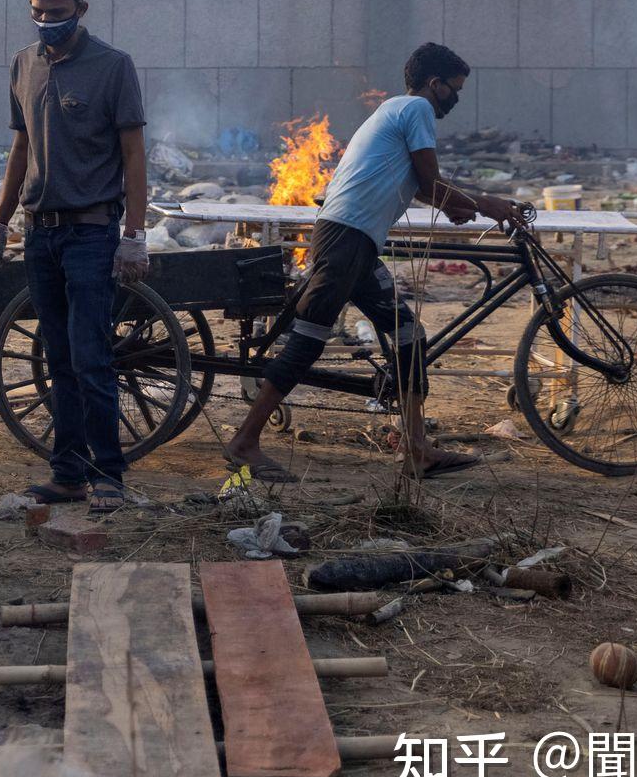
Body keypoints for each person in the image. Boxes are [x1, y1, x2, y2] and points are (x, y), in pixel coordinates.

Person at [222, 43, 526, 482]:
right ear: (433, 83)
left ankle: (418, 449)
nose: (453, 100)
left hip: (358, 244)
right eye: (453, 90)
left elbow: (423, 190)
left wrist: (462, 204)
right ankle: (244, 440)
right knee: (308, 339)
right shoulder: (417, 109)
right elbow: (432, 183)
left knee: (409, 335)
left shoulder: (395, 110)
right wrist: (487, 204)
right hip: (346, 240)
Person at [0, 0, 151, 517]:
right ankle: (68, 472)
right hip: (41, 234)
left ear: (80, 8)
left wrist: (134, 234)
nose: (45, 22)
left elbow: (133, 154)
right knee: (58, 356)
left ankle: (108, 473)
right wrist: (0, 220)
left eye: (55, 14)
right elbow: (18, 149)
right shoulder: (23, 64)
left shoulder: (113, 67)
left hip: (91, 233)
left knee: (90, 357)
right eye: (36, 12)